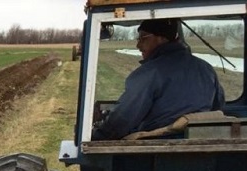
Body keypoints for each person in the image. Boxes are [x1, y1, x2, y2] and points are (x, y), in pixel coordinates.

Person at [92, 18, 225, 140]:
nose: (138, 46)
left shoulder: (149, 73)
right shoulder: (206, 69)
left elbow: (122, 121)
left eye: (143, 38)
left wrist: (97, 135)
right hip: (199, 144)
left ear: (162, 38)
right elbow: (218, 106)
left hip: (155, 149)